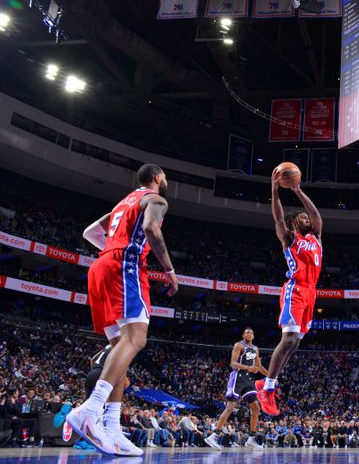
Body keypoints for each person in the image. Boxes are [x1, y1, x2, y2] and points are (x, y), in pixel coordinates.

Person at [66, 164, 179, 456]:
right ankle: (90, 409)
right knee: (136, 339)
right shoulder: (156, 200)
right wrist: (169, 270)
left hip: (101, 267)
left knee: (121, 349)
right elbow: (151, 229)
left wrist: (114, 249)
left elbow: (90, 232)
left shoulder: (122, 203)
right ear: (156, 178)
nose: (165, 181)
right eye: (164, 177)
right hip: (123, 268)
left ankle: (112, 428)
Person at [256, 169, 323, 416]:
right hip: (294, 289)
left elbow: (316, 214)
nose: (307, 219)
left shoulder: (317, 237)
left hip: (311, 294)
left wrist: (297, 190)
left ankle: (267, 384)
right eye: (303, 218)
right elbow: (279, 219)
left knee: (295, 344)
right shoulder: (290, 238)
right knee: (289, 339)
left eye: (307, 218)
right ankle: (268, 388)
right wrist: (274, 190)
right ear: (296, 224)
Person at [205, 328, 268, 450]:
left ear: (253, 336)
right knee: (230, 407)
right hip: (237, 378)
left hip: (248, 381)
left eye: (251, 333)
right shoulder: (239, 345)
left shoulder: (255, 349)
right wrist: (248, 367)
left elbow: (259, 366)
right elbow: (233, 363)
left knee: (256, 407)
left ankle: (251, 439)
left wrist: (271, 376)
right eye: (247, 332)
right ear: (243, 335)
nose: (249, 334)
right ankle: (213, 436)